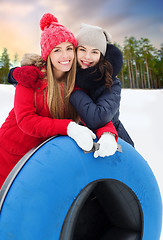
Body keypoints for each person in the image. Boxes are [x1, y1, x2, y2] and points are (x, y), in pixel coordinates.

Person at [0, 14, 118, 189]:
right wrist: (68, 127)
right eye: (57, 50)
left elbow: (91, 114)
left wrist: (108, 134)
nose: (65, 55)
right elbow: (26, 120)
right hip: (10, 154)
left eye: (69, 48)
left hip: (41, 160)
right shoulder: (31, 78)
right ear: (47, 54)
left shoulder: (77, 83)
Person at [69, 23, 134, 147]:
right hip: (82, 145)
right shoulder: (68, 75)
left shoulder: (111, 82)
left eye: (94, 52)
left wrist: (74, 91)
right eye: (82, 49)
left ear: (101, 56)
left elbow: (98, 118)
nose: (87, 57)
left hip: (115, 143)